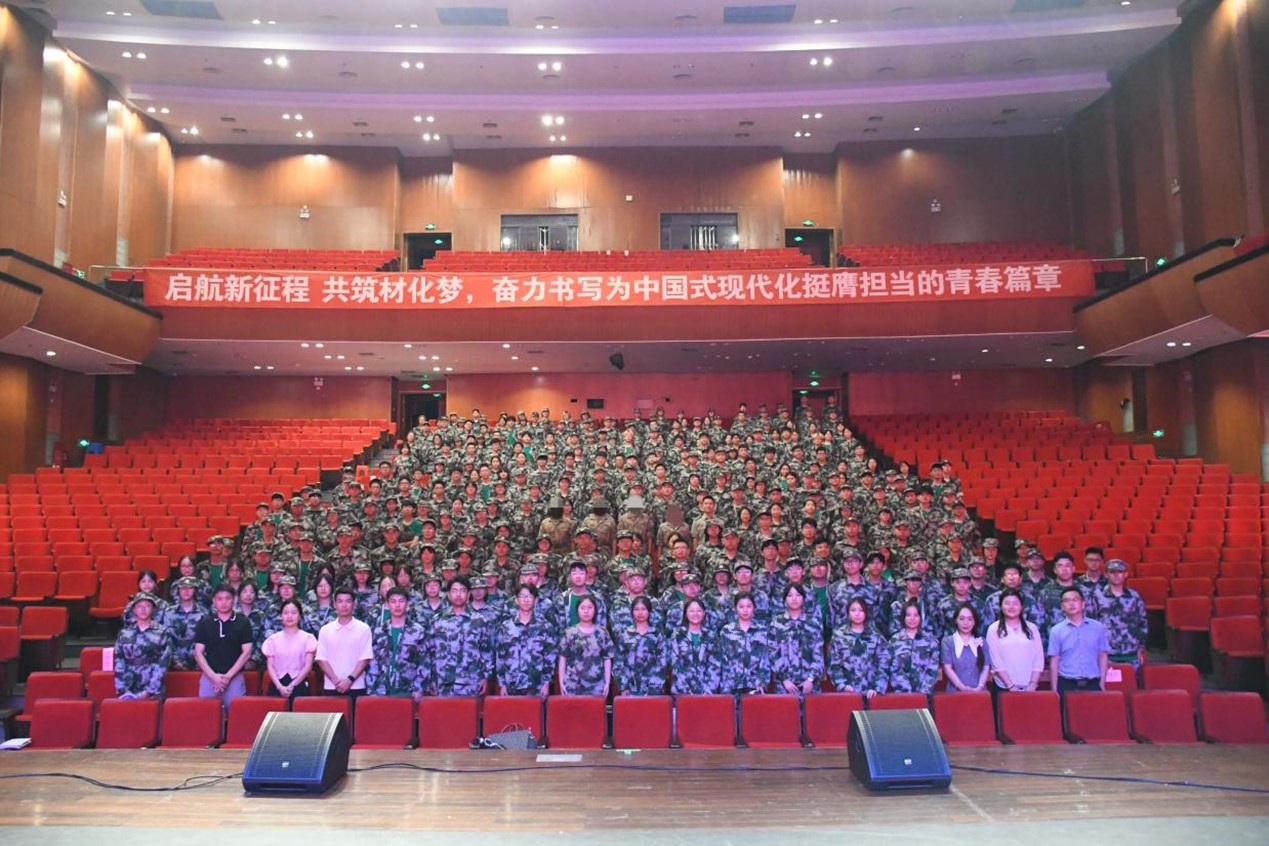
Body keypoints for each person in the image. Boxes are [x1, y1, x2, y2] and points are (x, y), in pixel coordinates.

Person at [193, 582, 255, 709]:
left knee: (236, 713)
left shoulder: (243, 622)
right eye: (219, 599)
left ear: (234, 599)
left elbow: (247, 652)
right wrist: (213, 677)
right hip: (209, 676)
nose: (224, 602)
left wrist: (228, 677)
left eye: (227, 598)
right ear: (214, 601)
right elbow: (198, 653)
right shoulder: (205, 623)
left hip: (234, 676)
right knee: (206, 714)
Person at [366, 587, 430, 701]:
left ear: (407, 604)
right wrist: (371, 688)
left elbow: (424, 661)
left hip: (409, 690)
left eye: (401, 601)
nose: (397, 605)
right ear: (388, 604)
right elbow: (373, 662)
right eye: (393, 601)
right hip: (382, 691)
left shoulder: (418, 631)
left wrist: (419, 687)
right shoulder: (379, 631)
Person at [494, 584, 557, 697]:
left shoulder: (545, 627)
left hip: (536, 686)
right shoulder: (506, 627)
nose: (526, 600)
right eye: (522, 596)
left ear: (536, 600)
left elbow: (550, 657)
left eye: (530, 596)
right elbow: (500, 656)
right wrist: (502, 684)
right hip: (511, 685)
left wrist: (546, 682)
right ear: (516, 600)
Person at [1047, 586, 1110, 695]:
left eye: (1075, 600)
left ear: (1083, 604)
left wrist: (1102, 683)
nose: (1071, 604)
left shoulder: (1098, 627)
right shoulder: (1056, 631)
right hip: (1066, 684)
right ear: (1062, 607)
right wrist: (1054, 690)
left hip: (1093, 684)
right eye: (1067, 601)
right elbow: (1054, 661)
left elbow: (1102, 656)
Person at [315, 585, 373, 699]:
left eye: (348, 601)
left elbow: (365, 658)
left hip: (356, 686)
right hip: (331, 686)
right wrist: (336, 681)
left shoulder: (363, 629)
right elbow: (321, 659)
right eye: (340, 601)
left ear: (354, 604)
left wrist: (349, 680)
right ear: (335, 604)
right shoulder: (325, 630)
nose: (344, 605)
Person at [984, 588, 1045, 697]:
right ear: (1001, 606)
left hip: (1030, 688)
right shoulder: (994, 629)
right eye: (1007, 603)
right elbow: (996, 661)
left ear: (1022, 607)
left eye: (1015, 603)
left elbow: (1039, 659)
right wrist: (1011, 686)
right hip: (1003, 687)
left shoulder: (1032, 628)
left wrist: (1033, 684)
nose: (1011, 607)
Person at [114, 592, 173, 700]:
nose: (143, 609)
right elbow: (119, 660)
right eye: (139, 606)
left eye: (147, 606)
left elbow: (163, 663)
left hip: (153, 687)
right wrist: (123, 689)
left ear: (153, 609)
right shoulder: (124, 633)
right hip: (128, 687)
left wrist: (149, 691)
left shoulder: (162, 632)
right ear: (134, 610)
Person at [827, 597, 887, 699]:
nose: (857, 614)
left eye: (861, 610)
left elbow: (883, 663)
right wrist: (843, 685)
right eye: (853, 610)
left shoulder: (875, 636)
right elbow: (833, 665)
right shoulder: (838, 636)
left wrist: (877, 687)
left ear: (866, 613)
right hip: (847, 693)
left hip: (871, 693)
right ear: (848, 613)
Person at [1092, 558, 1148, 667]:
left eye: (1120, 572)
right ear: (1106, 575)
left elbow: (1143, 622)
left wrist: (1140, 647)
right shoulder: (1097, 596)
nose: (1116, 575)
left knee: (1131, 677)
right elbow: (1091, 623)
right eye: (1112, 572)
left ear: (1125, 574)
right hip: (1106, 652)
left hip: (1130, 651)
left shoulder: (1134, 596)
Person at [770, 583, 823, 697]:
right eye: (790, 595)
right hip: (784, 685)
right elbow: (772, 654)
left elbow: (818, 654)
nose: (794, 599)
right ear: (784, 599)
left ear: (803, 599)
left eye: (798, 595)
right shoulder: (776, 623)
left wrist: (810, 679)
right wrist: (784, 679)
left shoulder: (813, 623)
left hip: (810, 685)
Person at [261, 598, 317, 703]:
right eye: (285, 613)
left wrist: (292, 685)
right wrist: (279, 686)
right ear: (281, 616)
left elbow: (308, 666)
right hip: (277, 685)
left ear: (300, 616)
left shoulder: (308, 638)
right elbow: (270, 666)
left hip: (299, 684)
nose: (289, 616)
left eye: (293, 613)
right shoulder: (273, 639)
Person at [557, 595, 613, 696]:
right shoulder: (569, 632)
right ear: (577, 611)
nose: (586, 611)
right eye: (582, 608)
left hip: (596, 685)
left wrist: (607, 683)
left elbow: (607, 659)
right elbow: (563, 658)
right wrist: (561, 682)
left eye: (590, 608)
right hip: (573, 684)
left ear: (595, 610)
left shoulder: (602, 633)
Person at [613, 596, 668, 696]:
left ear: (649, 612)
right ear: (632, 612)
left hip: (653, 689)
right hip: (630, 688)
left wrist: (655, 686)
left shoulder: (657, 635)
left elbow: (662, 662)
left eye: (643, 609)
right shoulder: (624, 635)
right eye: (636, 609)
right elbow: (618, 662)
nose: (640, 613)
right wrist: (623, 686)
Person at [666, 598, 722, 695]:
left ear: (704, 613)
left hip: (707, 693)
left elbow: (715, 666)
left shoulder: (711, 636)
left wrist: (708, 691)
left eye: (699, 611)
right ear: (685, 613)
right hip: (682, 691)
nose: (695, 614)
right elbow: (675, 665)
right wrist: (686, 691)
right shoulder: (677, 636)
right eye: (691, 611)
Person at [718, 593, 771, 695]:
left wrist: (762, 681)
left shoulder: (762, 631)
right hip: (731, 684)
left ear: (754, 608)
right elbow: (724, 660)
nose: (745, 610)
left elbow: (765, 659)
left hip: (755, 685)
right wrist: (726, 684)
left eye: (749, 606)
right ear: (735, 609)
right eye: (741, 606)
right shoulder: (727, 631)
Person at [885, 599, 941, 695]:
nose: (912, 618)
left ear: (920, 617)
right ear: (903, 617)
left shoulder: (931, 641)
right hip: (902, 694)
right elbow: (894, 670)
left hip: (925, 694)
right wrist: (907, 692)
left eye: (915, 615)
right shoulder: (894, 641)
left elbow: (933, 669)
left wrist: (923, 692)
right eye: (908, 615)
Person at [940, 603, 990, 693]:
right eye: (962, 619)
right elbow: (947, 668)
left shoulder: (982, 641)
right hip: (955, 693)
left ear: (974, 622)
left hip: (980, 692)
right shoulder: (948, 642)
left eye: (970, 619)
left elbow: (986, 668)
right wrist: (962, 687)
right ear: (956, 620)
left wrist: (980, 687)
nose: (966, 623)